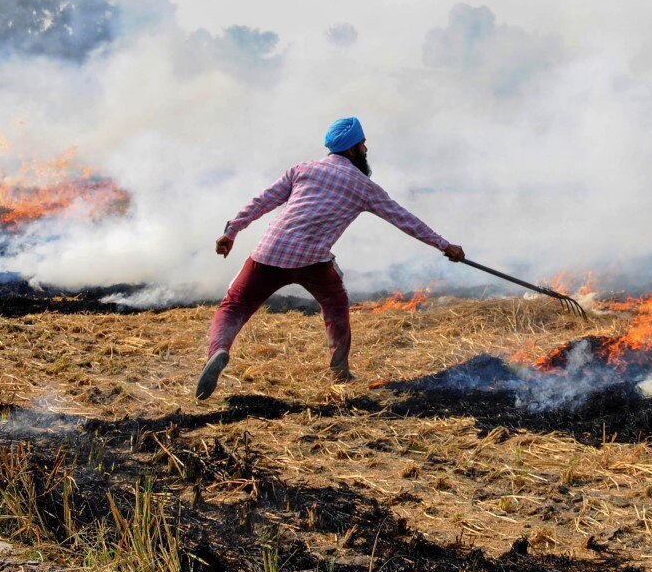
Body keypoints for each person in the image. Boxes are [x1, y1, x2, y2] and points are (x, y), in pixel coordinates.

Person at [196, 116, 463, 400]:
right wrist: (444, 245)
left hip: (269, 252)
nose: (365, 150)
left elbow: (261, 201)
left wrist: (232, 231)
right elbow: (404, 219)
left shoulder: (302, 170)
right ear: (351, 150)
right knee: (336, 307)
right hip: (313, 260)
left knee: (233, 306)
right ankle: (339, 372)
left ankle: (220, 350)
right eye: (362, 145)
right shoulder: (364, 186)